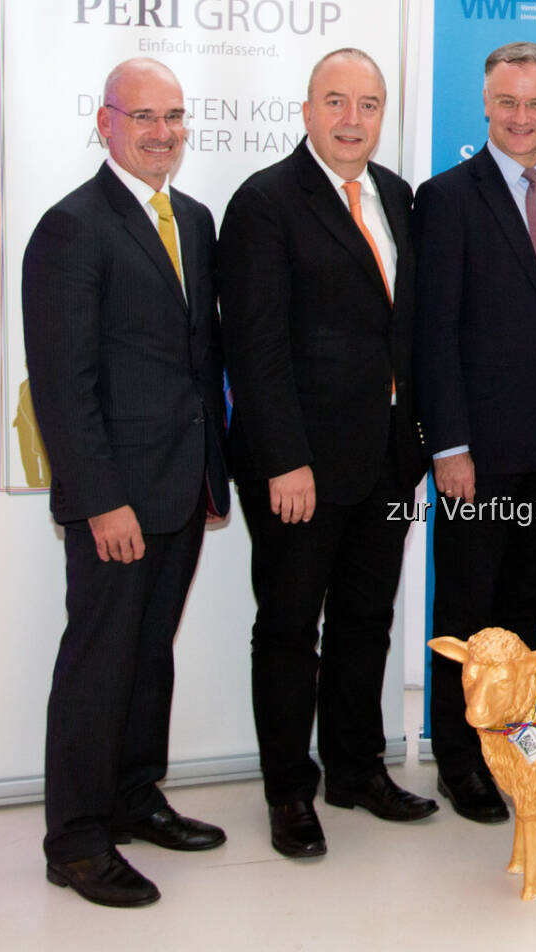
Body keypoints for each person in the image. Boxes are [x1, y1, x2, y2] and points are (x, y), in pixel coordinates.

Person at [217, 48, 434, 860]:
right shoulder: (266, 202)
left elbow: (404, 331)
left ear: (383, 115)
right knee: (287, 629)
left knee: (364, 622)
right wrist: (283, 460)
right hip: (299, 468)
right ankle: (289, 793)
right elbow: (254, 346)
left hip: (383, 457)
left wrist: (415, 443)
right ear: (307, 111)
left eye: (368, 105)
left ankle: (354, 769)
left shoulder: (399, 198)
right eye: (336, 102)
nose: (352, 120)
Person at [23, 57, 229, 907]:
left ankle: (135, 797)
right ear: (105, 123)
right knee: (99, 665)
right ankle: (74, 838)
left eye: (174, 116)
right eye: (142, 117)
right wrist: (102, 499)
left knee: (149, 658)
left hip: (182, 487)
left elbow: (197, 360)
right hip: (118, 497)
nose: (161, 132)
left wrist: (214, 474)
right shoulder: (73, 226)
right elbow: (63, 385)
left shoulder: (195, 218)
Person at [414, 42, 536, 823]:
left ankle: (514, 742)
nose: (521, 117)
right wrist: (448, 445)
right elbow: (432, 334)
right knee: (466, 615)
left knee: (527, 612)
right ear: (485, 106)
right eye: (507, 102)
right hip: (479, 455)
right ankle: (459, 761)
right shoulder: (447, 196)